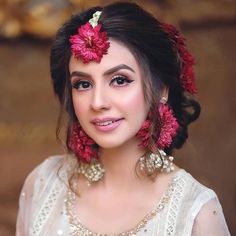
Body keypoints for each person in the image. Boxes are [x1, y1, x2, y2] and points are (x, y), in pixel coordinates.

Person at [16, 2, 230, 235]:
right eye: (83, 84)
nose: (98, 102)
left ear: (161, 90)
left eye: (119, 80)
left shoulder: (197, 213)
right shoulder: (43, 184)